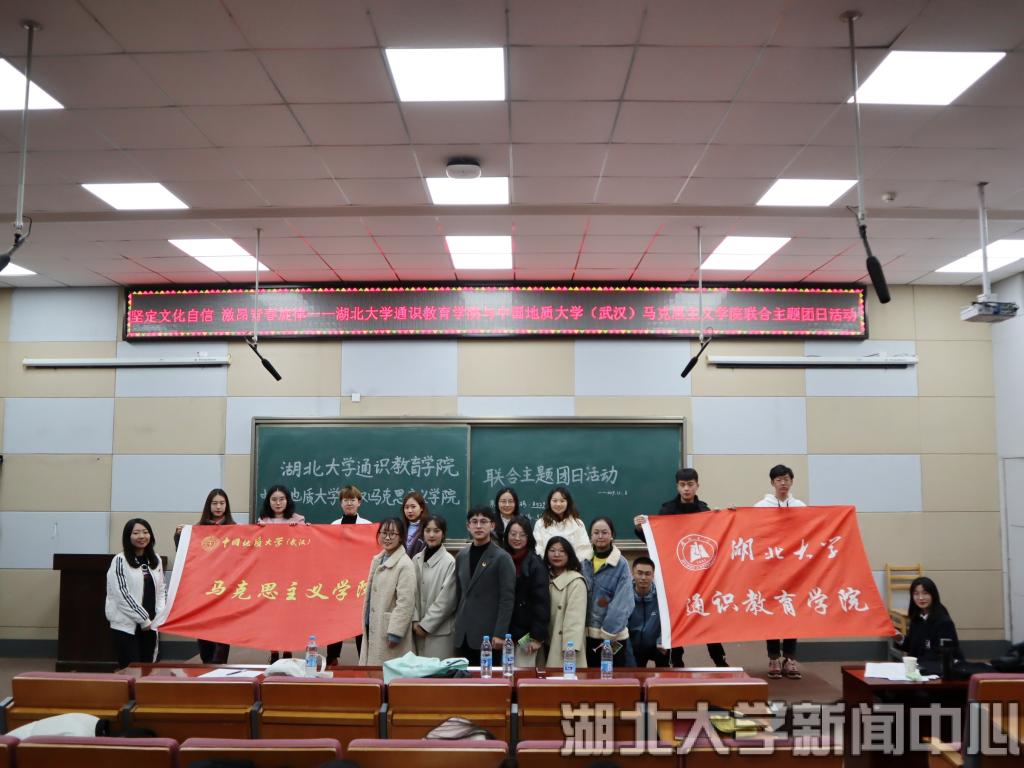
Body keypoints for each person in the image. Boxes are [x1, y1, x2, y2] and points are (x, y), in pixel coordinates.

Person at [632, 468, 728, 668]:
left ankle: (720, 660)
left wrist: (727, 519)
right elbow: (656, 541)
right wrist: (640, 529)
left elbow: (715, 541)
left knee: (706, 616)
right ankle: (677, 660)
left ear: (697, 485)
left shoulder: (705, 511)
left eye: (690, 484)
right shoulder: (666, 511)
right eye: (683, 485)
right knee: (675, 617)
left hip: (700, 576)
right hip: (675, 576)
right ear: (677, 486)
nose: (686, 489)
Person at [754, 464, 807, 679]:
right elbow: (750, 530)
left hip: (795, 570)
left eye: (786, 479)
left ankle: (790, 658)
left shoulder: (801, 507)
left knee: (792, 611)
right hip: (770, 570)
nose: (783, 483)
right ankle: (774, 657)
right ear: (772, 483)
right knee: (772, 613)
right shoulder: (760, 507)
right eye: (778, 480)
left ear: (792, 481)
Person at [174, 489, 235, 664]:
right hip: (203, 590)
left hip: (225, 589)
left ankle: (219, 666)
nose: (218, 507)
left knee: (223, 632)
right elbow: (186, 556)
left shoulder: (235, 529)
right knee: (204, 629)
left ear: (227, 506)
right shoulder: (198, 529)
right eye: (214, 503)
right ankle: (206, 665)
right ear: (208, 505)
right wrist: (180, 536)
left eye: (222, 503)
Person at [453, 506, 515, 666]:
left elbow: (507, 599)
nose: (478, 526)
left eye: (483, 521)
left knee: (488, 679)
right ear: (468, 526)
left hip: (489, 636)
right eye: (474, 522)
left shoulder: (502, 558)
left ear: (492, 525)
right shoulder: (461, 556)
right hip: (463, 634)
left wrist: (500, 633)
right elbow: (459, 595)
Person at [106, 518, 164, 668]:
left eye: (145, 532)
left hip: (151, 625)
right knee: (131, 670)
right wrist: (144, 619)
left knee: (148, 669)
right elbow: (122, 595)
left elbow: (161, 589)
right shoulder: (120, 560)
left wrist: (160, 615)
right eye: (136, 533)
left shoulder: (155, 559)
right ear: (128, 536)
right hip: (127, 626)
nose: (142, 536)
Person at [358, 517, 417, 666]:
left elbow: (405, 603)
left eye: (392, 534)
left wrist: (395, 633)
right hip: (373, 625)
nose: (387, 537)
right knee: (372, 672)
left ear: (401, 537)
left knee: (386, 673)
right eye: (384, 533)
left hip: (389, 633)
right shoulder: (378, 559)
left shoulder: (405, 564)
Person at [581, 517, 635, 668]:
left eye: (604, 532)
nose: (600, 536)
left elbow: (623, 603)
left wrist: (608, 633)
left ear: (612, 535)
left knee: (611, 678)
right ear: (591, 536)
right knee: (589, 679)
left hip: (613, 637)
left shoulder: (621, 564)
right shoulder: (584, 563)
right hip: (587, 636)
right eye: (596, 532)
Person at [326, 484, 371, 665]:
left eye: (353, 500)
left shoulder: (368, 526)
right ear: (341, 503)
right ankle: (332, 658)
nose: (349, 503)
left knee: (359, 622)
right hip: (339, 582)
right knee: (335, 621)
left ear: (359, 502)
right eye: (346, 500)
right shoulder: (333, 525)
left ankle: (363, 660)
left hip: (360, 582)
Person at [502, 515, 549, 667]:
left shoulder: (536, 564)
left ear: (529, 538)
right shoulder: (500, 558)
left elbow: (541, 602)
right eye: (513, 534)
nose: (517, 538)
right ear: (507, 535)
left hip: (526, 635)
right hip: (503, 633)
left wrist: (536, 636)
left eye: (522, 535)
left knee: (523, 674)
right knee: (503, 675)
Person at [412, 515, 457, 659]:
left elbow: (447, 601)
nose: (431, 535)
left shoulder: (450, 562)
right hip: (415, 629)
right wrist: (414, 621)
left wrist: (425, 625)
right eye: (427, 530)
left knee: (437, 671)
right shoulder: (416, 559)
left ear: (443, 534)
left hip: (439, 632)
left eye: (436, 531)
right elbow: (409, 593)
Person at [895, 576, 963, 667]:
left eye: (925, 593)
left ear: (933, 595)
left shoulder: (944, 621)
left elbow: (942, 654)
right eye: (916, 594)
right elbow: (913, 647)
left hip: (939, 669)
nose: (920, 598)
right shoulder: (917, 617)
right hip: (919, 667)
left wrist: (917, 664)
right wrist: (899, 638)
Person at [542, 536, 588, 668]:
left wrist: (569, 649)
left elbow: (575, 621)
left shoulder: (576, 582)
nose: (557, 554)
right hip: (543, 641)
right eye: (552, 550)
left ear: (569, 554)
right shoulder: (543, 576)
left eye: (562, 551)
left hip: (563, 646)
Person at [629, 556, 669, 668]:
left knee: (671, 652)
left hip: (657, 645)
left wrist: (662, 640)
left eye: (647, 574)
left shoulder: (662, 596)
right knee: (634, 676)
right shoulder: (625, 595)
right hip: (634, 646)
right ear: (633, 574)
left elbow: (669, 623)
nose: (643, 577)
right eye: (639, 573)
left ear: (653, 575)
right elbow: (620, 625)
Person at [533, 485, 592, 561]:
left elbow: (584, 550)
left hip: (573, 566)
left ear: (568, 503)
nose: (558, 504)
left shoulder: (578, 524)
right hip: (546, 566)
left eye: (562, 501)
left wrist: (572, 564)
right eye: (554, 501)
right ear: (549, 502)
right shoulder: (540, 524)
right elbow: (538, 549)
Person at [401, 491, 428, 557]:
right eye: (406, 507)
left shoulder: (427, 527)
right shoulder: (400, 527)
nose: (410, 511)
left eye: (413, 507)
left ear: (421, 508)